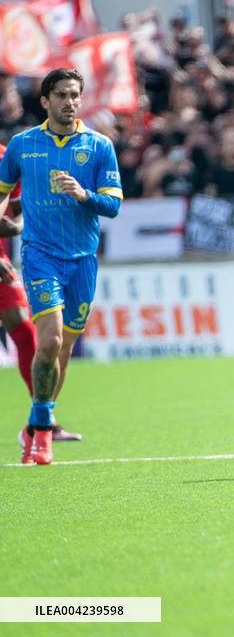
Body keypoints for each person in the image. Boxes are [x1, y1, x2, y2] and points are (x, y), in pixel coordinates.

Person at [0, 68, 122, 465]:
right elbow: (1, 194)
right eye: (62, 95)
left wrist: (84, 194)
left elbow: (113, 205)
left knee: (64, 349)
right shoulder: (22, 145)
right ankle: (43, 432)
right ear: (45, 101)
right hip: (40, 256)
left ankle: (36, 424)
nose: (70, 102)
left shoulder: (99, 146)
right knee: (49, 341)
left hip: (83, 260)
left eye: (75, 95)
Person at [0, 148, 84, 458]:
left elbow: (18, 207)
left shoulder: (6, 155)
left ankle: (43, 420)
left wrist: (18, 225)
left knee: (26, 333)